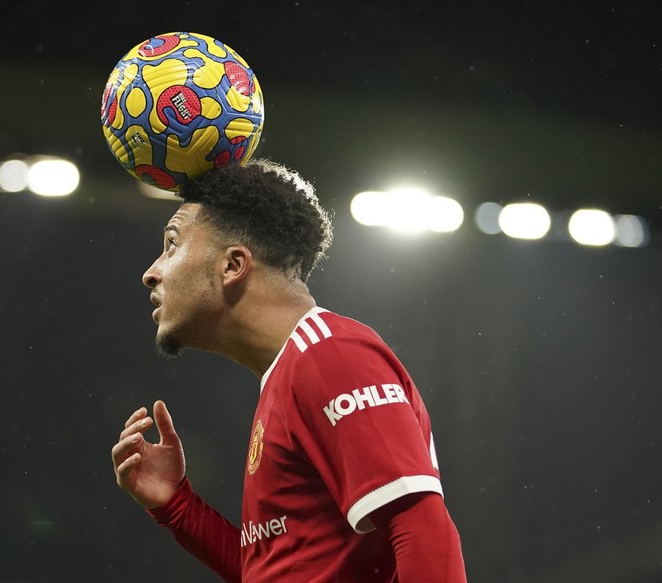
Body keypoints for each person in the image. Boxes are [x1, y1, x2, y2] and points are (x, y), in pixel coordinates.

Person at [111, 159, 467, 582]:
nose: (151, 273)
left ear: (232, 265)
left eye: (172, 243)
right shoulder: (288, 373)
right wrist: (178, 506)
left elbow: (424, 531)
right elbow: (277, 569)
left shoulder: (331, 356)